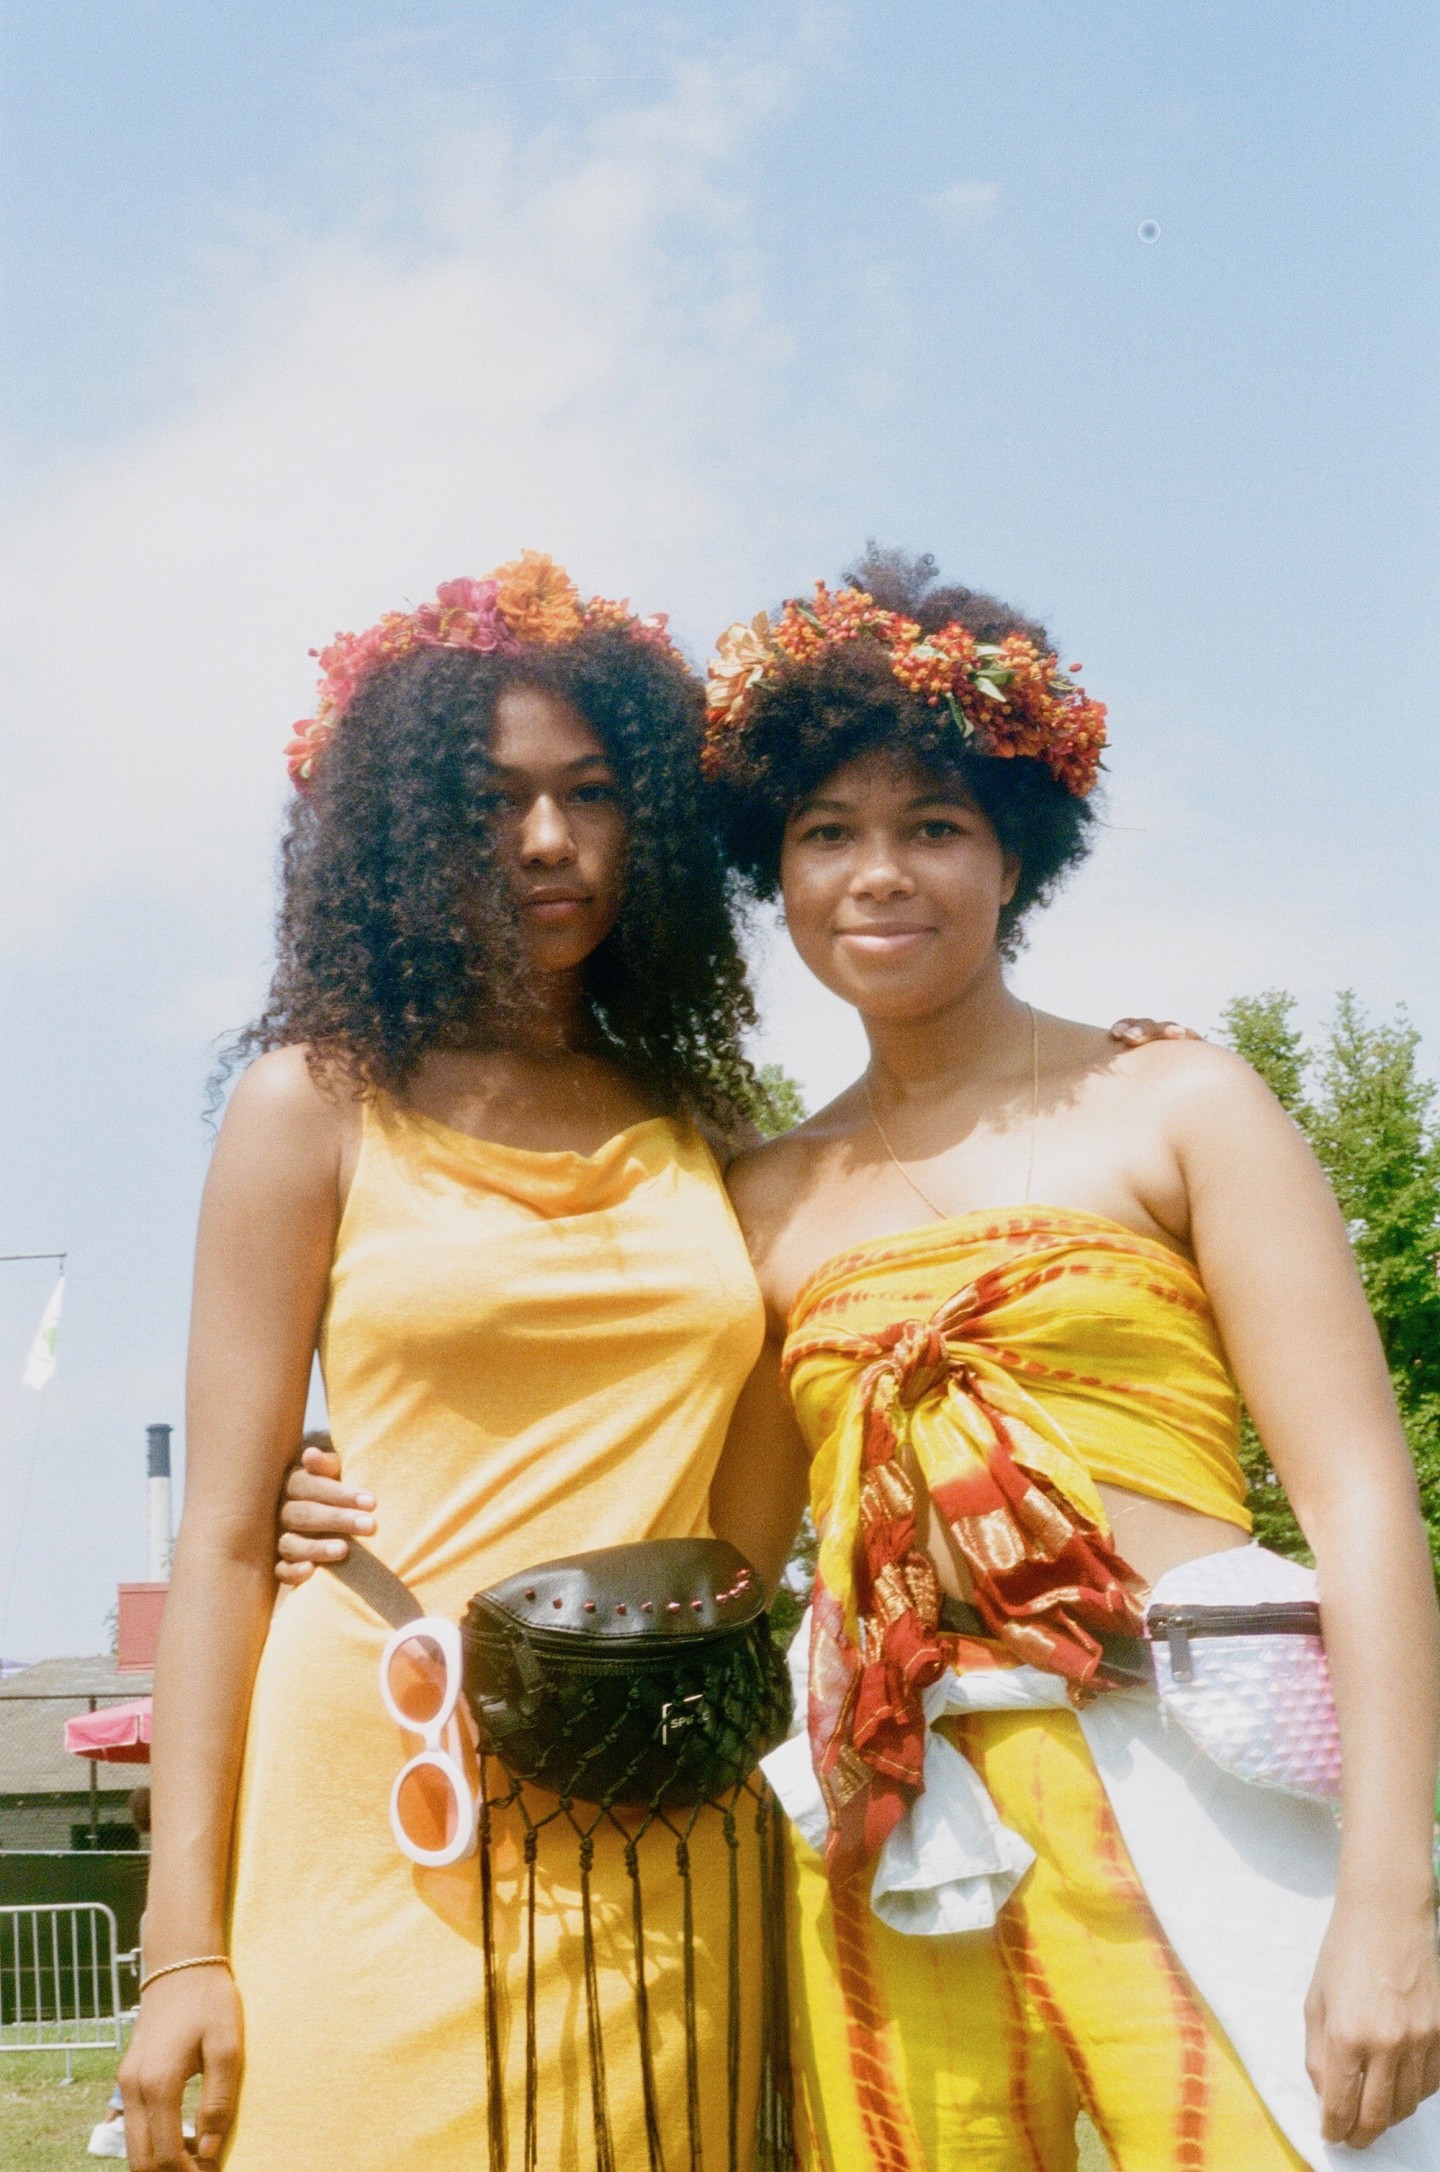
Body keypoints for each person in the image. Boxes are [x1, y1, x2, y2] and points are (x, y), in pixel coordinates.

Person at [696, 549, 1440, 2169]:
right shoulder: (761, 1200)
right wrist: (359, 1514)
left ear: (1018, 852)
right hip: (895, 1842)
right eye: (828, 833)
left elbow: (1367, 1512)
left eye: (934, 828)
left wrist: (1395, 1900)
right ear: (778, 868)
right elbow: (726, 1569)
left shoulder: (1181, 1106)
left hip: (1202, 1792)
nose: (877, 875)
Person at [118, 557, 782, 2172]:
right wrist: (182, 1945)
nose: (549, 843)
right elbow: (218, 1539)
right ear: (407, 827)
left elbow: (765, 1513)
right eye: (493, 801)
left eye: (592, 793)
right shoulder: (315, 1105)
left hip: (661, 1812)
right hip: (384, 1786)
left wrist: (1083, 1063)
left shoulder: (719, 1139)